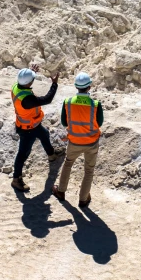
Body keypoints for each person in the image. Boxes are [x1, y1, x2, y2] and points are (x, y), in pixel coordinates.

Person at [53, 72, 104, 208]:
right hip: (91, 143)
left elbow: (65, 122)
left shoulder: (68, 102)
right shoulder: (95, 104)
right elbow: (99, 123)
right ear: (89, 87)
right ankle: (83, 199)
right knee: (89, 170)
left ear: (76, 86)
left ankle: (61, 191)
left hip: (74, 142)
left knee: (68, 163)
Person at [10, 67, 62, 192]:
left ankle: (51, 155)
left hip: (31, 124)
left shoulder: (16, 86)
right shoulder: (27, 100)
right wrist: (54, 84)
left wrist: (30, 72)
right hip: (27, 129)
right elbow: (47, 99)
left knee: (44, 134)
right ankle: (16, 179)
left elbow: (25, 81)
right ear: (28, 83)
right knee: (23, 154)